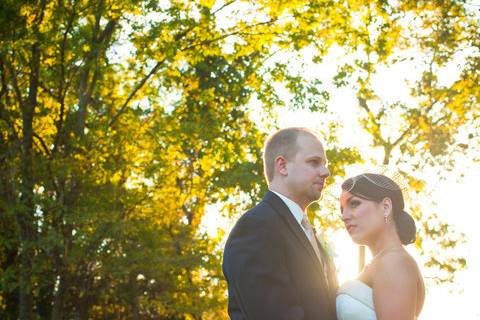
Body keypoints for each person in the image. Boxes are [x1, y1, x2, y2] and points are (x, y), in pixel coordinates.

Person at [222, 127, 338, 320]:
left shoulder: (305, 230)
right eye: (314, 162)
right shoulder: (256, 227)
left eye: (325, 164)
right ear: (282, 166)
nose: (326, 172)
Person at [337, 173, 425, 320]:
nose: (344, 216)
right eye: (342, 209)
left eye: (354, 203)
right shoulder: (385, 261)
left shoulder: (394, 262)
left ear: (385, 207)